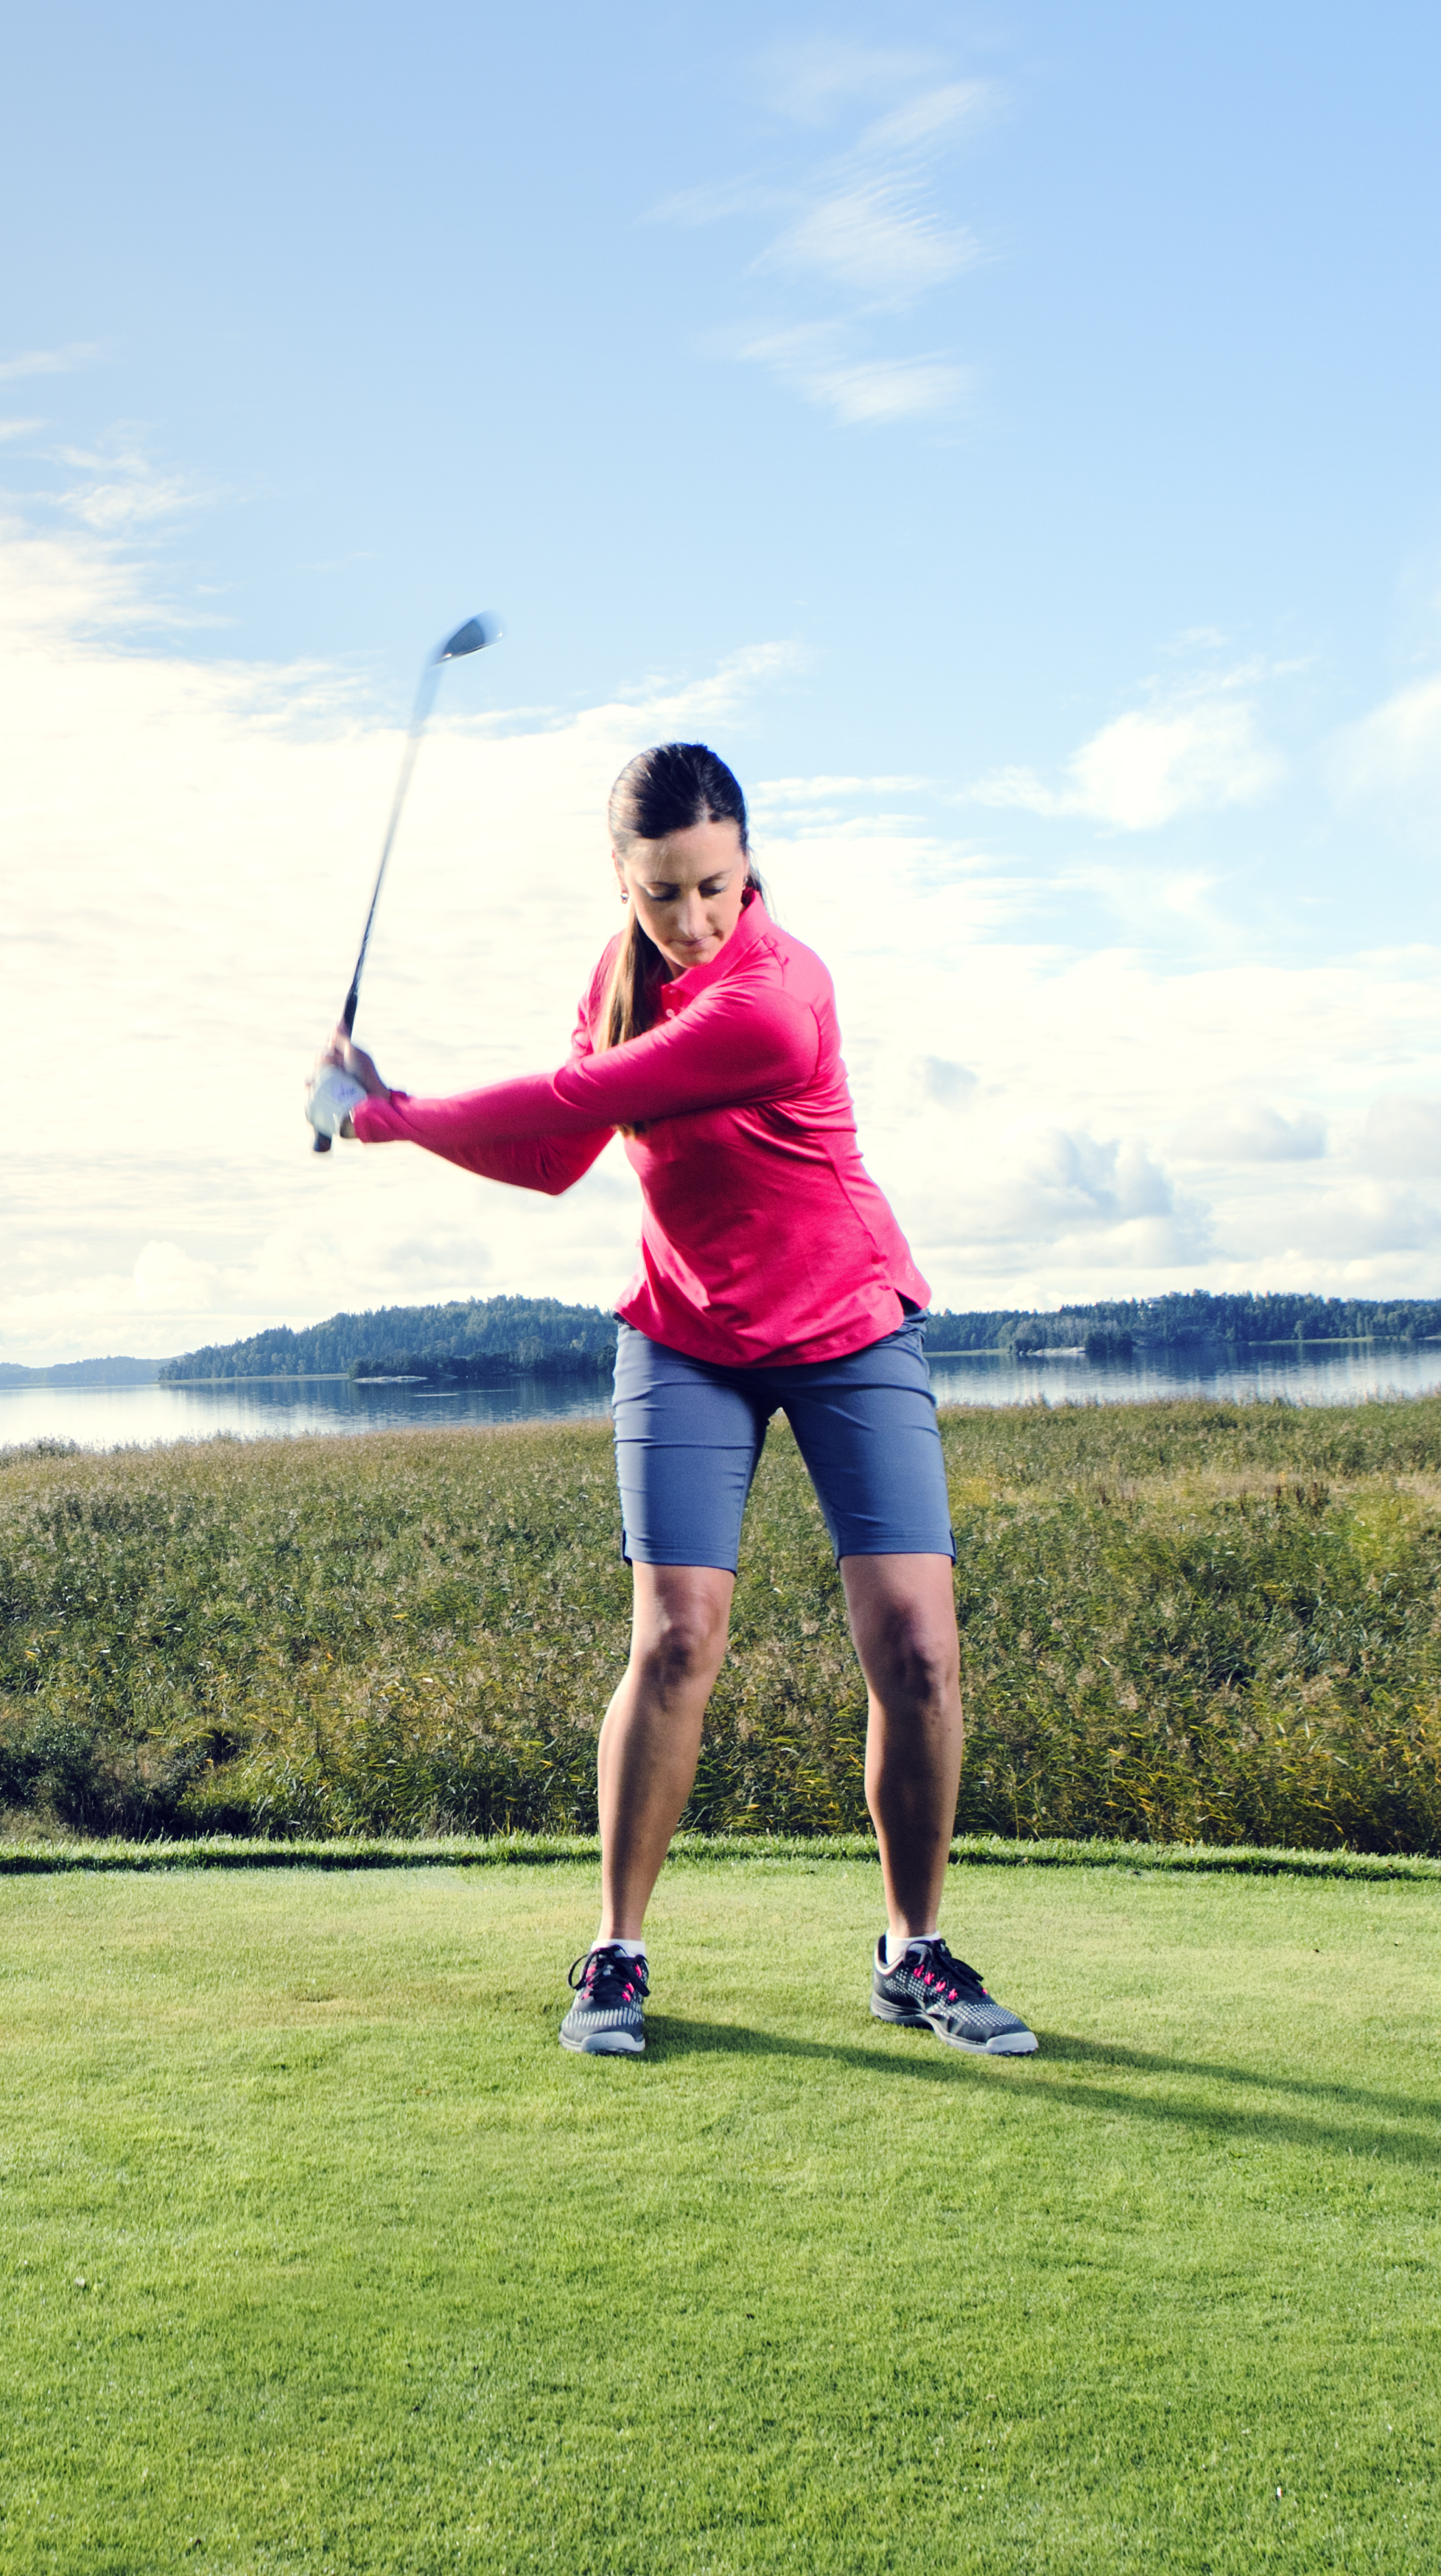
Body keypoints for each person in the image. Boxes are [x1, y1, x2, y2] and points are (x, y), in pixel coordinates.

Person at [308, 743, 1034, 2061]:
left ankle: (911, 1951)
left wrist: (387, 1113)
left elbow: (590, 1094)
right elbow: (549, 1156)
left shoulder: (776, 994)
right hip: (688, 1328)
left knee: (919, 1647)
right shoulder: (621, 971)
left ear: (748, 857)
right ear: (622, 880)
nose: (692, 920)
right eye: (662, 896)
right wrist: (392, 1105)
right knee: (676, 1639)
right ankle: (617, 1953)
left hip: (843, 1322)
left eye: (713, 886)